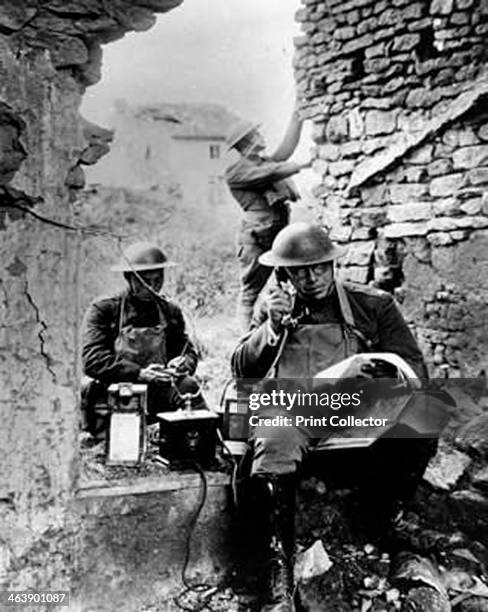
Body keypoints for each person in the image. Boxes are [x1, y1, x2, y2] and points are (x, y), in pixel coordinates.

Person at [231, 222, 441, 612]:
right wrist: (272, 328)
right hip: (295, 413)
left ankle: (381, 515)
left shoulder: (373, 305)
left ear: (332, 265)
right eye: (299, 271)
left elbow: (413, 369)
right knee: (274, 438)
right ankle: (278, 576)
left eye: (319, 268)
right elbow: (242, 368)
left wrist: (375, 378)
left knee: (427, 414)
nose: (311, 279)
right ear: (284, 273)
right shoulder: (274, 308)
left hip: (354, 414)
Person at [81, 242, 204, 436]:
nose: (152, 286)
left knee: (188, 386)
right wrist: (138, 373)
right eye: (145, 281)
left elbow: (187, 351)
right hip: (117, 390)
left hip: (158, 390)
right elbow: (92, 360)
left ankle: (199, 444)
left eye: (158, 279)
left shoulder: (170, 311)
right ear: (129, 278)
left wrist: (182, 364)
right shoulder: (104, 310)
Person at [225, 107, 310, 331]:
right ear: (245, 142)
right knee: (250, 292)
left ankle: (284, 326)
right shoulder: (237, 172)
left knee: (285, 279)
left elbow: (285, 150)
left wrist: (296, 119)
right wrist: (303, 165)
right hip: (256, 237)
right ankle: (244, 338)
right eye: (255, 134)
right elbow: (271, 173)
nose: (260, 136)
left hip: (276, 232)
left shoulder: (262, 162)